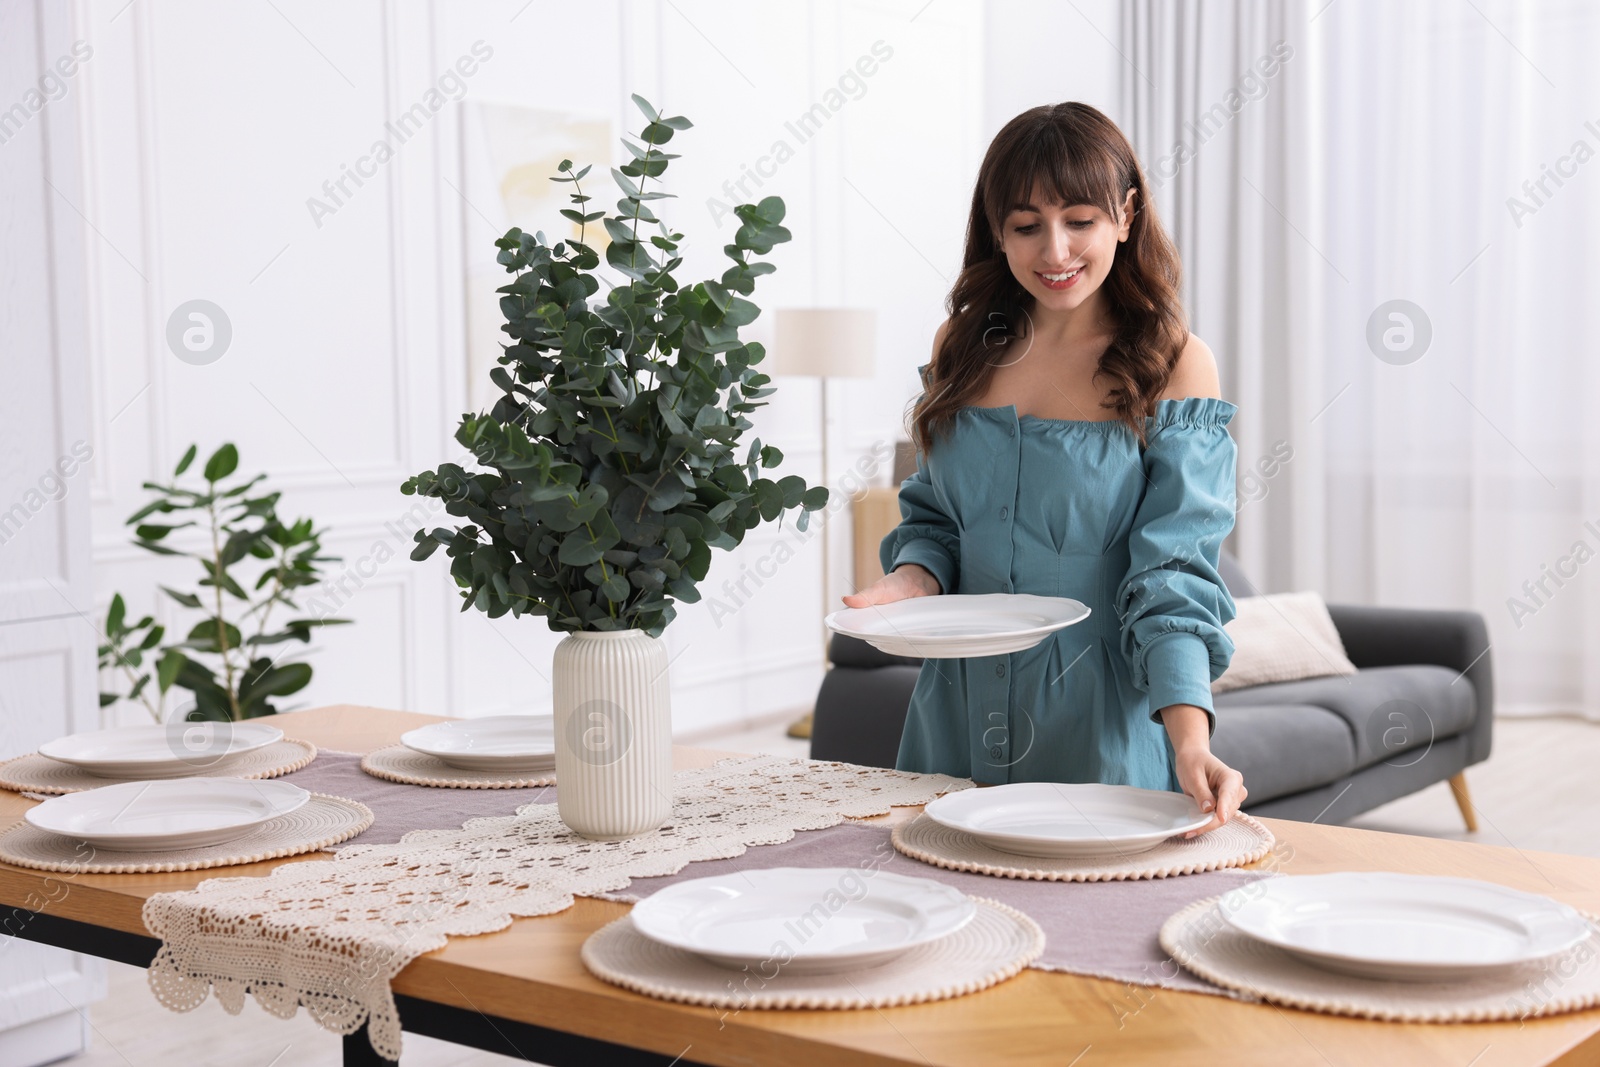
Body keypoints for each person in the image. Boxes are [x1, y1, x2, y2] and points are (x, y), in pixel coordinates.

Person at [842, 102, 1247, 836]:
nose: (1054, 250)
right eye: (1026, 226)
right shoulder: (963, 344)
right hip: (953, 719)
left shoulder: (1177, 362)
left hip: (1097, 730)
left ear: (1125, 215)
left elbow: (1175, 575)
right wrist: (910, 580)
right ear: (997, 232)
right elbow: (936, 518)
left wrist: (1191, 742)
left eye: (1080, 220)